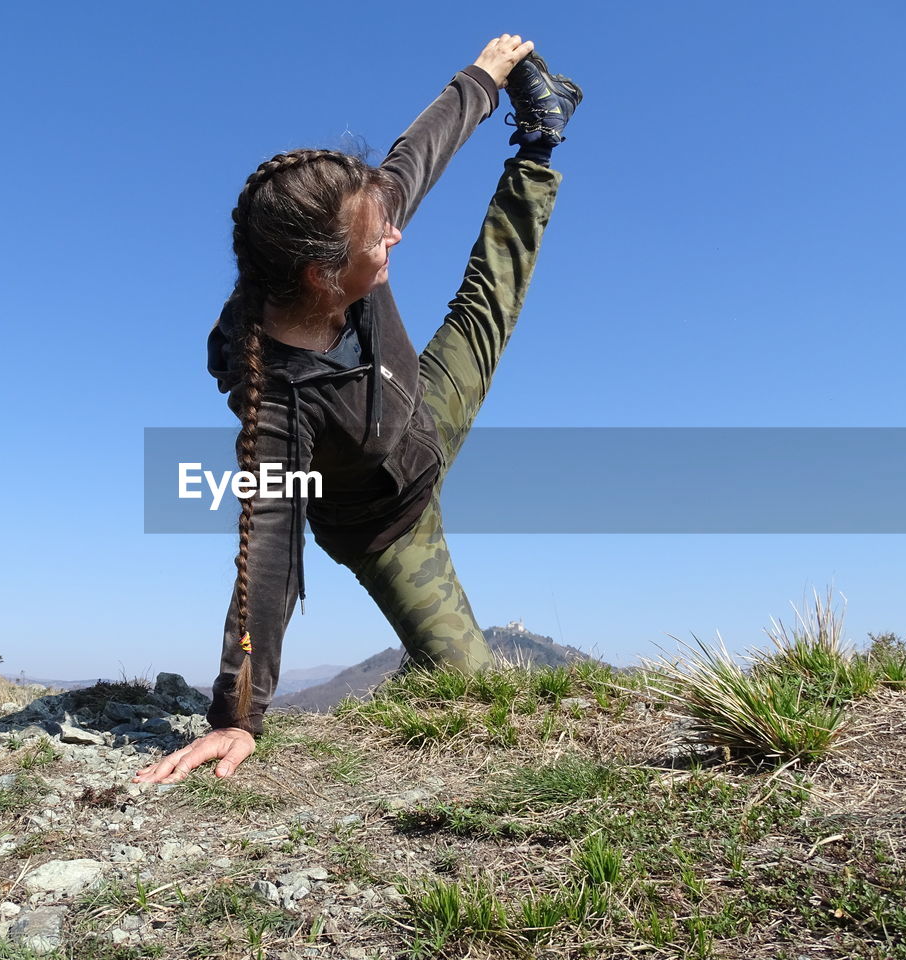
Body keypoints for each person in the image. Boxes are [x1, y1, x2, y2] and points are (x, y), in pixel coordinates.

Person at [134, 35, 581, 785]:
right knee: (475, 690)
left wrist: (482, 78)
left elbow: (420, 153)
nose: (395, 236)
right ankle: (426, 662)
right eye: (381, 241)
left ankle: (540, 141)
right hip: (387, 524)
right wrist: (238, 717)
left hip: (422, 406)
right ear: (322, 273)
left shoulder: (352, 216)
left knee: (490, 300)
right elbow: (266, 556)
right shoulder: (274, 402)